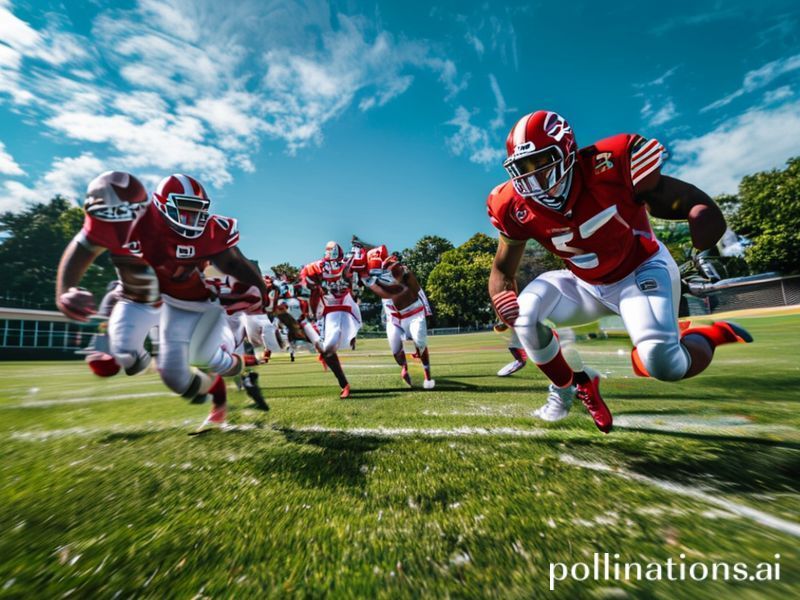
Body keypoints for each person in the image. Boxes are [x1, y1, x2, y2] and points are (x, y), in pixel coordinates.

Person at [487, 110, 752, 433]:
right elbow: (502, 268)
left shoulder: (610, 164)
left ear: (568, 152)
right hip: (582, 282)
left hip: (638, 272)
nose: (534, 178)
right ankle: (569, 386)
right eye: (523, 168)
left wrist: (700, 215)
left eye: (542, 163)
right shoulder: (511, 205)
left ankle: (713, 333)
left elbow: (682, 199)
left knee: (662, 363)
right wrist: (503, 301)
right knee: (525, 317)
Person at [130, 173, 276, 432]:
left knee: (203, 356)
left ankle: (234, 372)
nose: (191, 219)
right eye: (184, 211)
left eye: (196, 211)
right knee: (173, 373)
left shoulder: (211, 231)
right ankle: (221, 401)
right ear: (163, 206)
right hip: (170, 305)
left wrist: (262, 291)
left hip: (204, 302)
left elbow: (235, 263)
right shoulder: (145, 231)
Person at [56, 171, 161, 377]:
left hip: (173, 297)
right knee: (114, 298)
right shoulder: (101, 223)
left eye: (121, 213)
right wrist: (65, 291)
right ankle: (111, 348)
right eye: (107, 214)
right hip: (132, 292)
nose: (115, 223)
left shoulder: (163, 224)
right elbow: (81, 248)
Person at [363, 245, 435, 389]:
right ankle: (404, 368)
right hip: (393, 317)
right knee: (395, 350)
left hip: (413, 312)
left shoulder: (398, 269)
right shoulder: (370, 272)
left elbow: (418, 290)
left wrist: (427, 311)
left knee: (420, 341)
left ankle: (427, 374)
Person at [300, 241, 362, 398]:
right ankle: (344, 384)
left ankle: (351, 337)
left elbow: (355, 291)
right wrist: (313, 314)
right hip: (330, 309)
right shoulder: (316, 269)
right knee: (327, 349)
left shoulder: (348, 266)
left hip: (347, 305)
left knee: (347, 333)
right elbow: (312, 294)